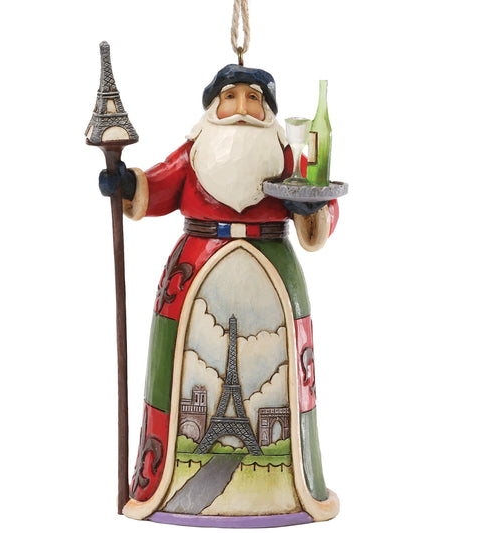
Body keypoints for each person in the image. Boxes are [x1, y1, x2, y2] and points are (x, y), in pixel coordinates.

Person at [99, 64, 340, 527]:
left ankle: (291, 485)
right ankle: (166, 484)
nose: (242, 108)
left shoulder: (286, 155)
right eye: (232, 97)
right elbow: (159, 184)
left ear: (268, 112)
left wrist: (312, 209)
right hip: (197, 267)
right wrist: (127, 184)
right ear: (214, 106)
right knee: (181, 366)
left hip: (273, 269)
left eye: (254, 99)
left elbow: (319, 198)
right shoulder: (197, 151)